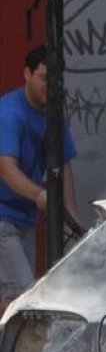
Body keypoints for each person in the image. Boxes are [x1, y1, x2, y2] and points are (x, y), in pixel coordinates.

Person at [0, 45, 83, 314]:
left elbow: (63, 163)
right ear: (27, 74)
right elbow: (6, 169)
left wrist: (72, 217)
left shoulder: (54, 114)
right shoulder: (10, 113)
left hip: (25, 219)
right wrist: (40, 195)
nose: (51, 85)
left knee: (14, 299)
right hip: (3, 218)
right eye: (45, 77)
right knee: (25, 299)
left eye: (57, 78)